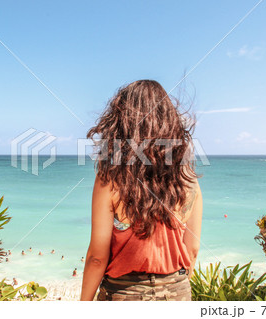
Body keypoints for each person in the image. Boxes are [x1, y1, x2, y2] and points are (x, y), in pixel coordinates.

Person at [80, 80, 203, 301]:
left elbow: (97, 258)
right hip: (177, 290)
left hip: (124, 292)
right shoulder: (188, 179)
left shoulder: (111, 178)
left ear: (121, 122)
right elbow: (192, 249)